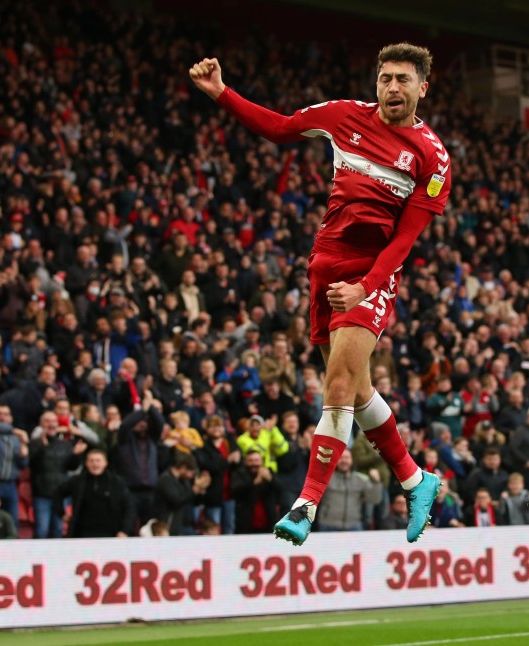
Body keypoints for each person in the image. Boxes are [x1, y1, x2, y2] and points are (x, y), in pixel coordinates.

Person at [191, 42, 450, 545]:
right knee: (355, 389)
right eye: (385, 78)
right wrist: (222, 93)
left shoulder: (432, 157)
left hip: (368, 276)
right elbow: (277, 127)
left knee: (335, 391)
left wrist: (366, 288)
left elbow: (405, 239)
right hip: (325, 271)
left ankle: (305, 506)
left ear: (422, 86)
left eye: (403, 79)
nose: (393, 87)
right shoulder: (342, 116)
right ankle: (417, 480)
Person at [58, 449, 136, 538]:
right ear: (86, 463)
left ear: (105, 463)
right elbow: (57, 493)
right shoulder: (77, 481)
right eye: (91, 461)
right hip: (82, 534)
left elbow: (129, 507)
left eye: (98, 460)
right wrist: (61, 513)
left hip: (112, 534)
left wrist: (124, 530)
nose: (95, 464)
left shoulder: (117, 483)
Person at [316, 452, 383, 532]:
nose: (344, 461)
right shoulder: (325, 478)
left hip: (354, 526)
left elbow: (374, 499)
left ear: (352, 460)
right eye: (341, 458)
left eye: (347, 458)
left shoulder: (361, 479)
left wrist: (377, 482)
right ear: (335, 460)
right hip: (328, 525)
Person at [153, 452, 210, 536]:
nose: (191, 476)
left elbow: (191, 500)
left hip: (184, 525)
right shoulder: (165, 480)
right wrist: (195, 490)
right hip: (168, 526)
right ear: (183, 468)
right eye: (191, 472)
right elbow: (177, 500)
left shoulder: (183, 481)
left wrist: (201, 490)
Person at [230, 450, 281, 534]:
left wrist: (271, 479)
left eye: (256, 460)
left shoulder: (269, 472)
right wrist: (254, 482)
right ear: (245, 462)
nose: (254, 464)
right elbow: (236, 492)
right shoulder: (239, 473)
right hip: (246, 524)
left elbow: (281, 490)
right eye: (250, 461)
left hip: (268, 523)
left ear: (262, 462)